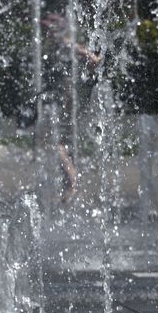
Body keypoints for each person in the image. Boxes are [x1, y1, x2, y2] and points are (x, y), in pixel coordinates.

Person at [40, 13, 100, 203]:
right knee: (58, 141)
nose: (44, 33)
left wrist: (89, 67)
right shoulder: (58, 45)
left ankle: (72, 181)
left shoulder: (65, 44)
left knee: (52, 140)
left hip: (67, 98)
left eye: (47, 29)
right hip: (63, 97)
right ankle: (69, 184)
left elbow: (91, 57)